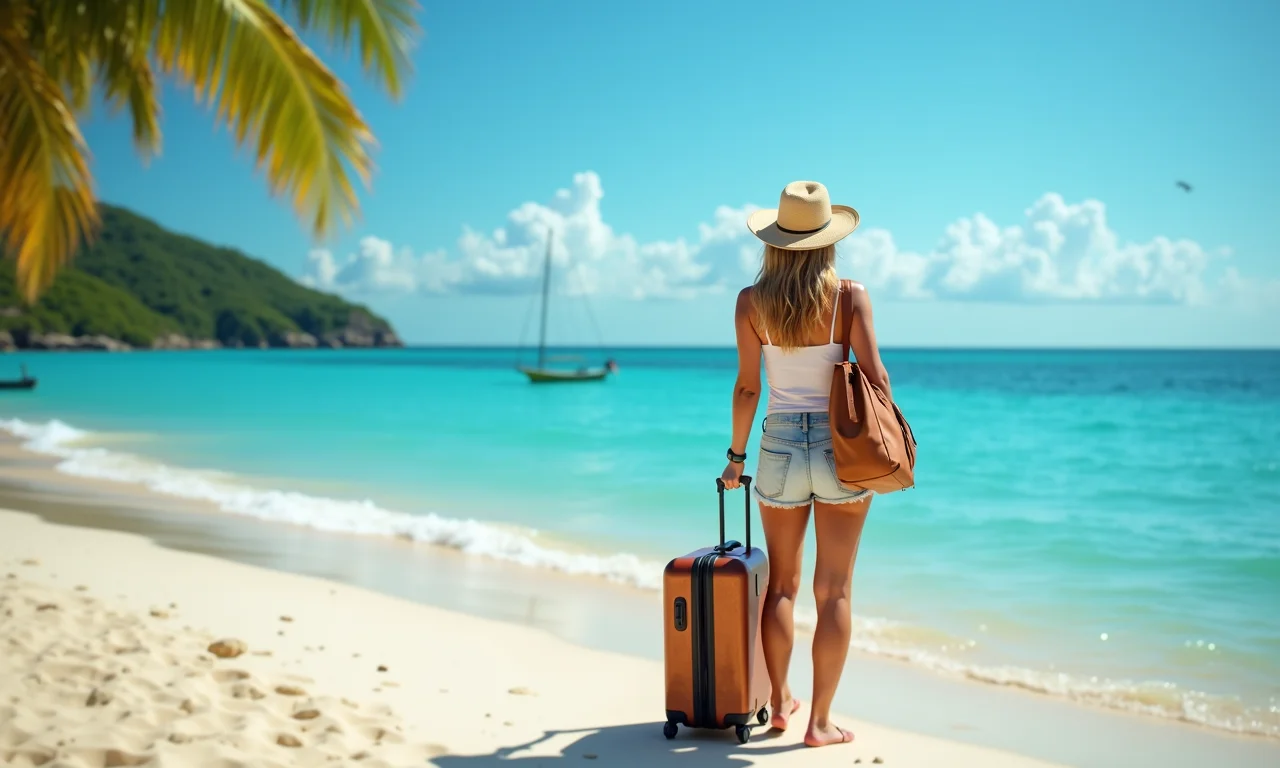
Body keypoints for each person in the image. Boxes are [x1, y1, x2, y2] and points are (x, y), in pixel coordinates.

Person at [719, 181, 892, 748]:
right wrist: (891, 443)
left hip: (778, 447)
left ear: (774, 242)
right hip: (842, 451)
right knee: (834, 591)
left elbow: (748, 388)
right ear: (828, 242)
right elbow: (875, 378)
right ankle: (818, 723)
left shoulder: (751, 302)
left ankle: (779, 705)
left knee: (782, 589)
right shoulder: (850, 297)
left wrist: (735, 459)